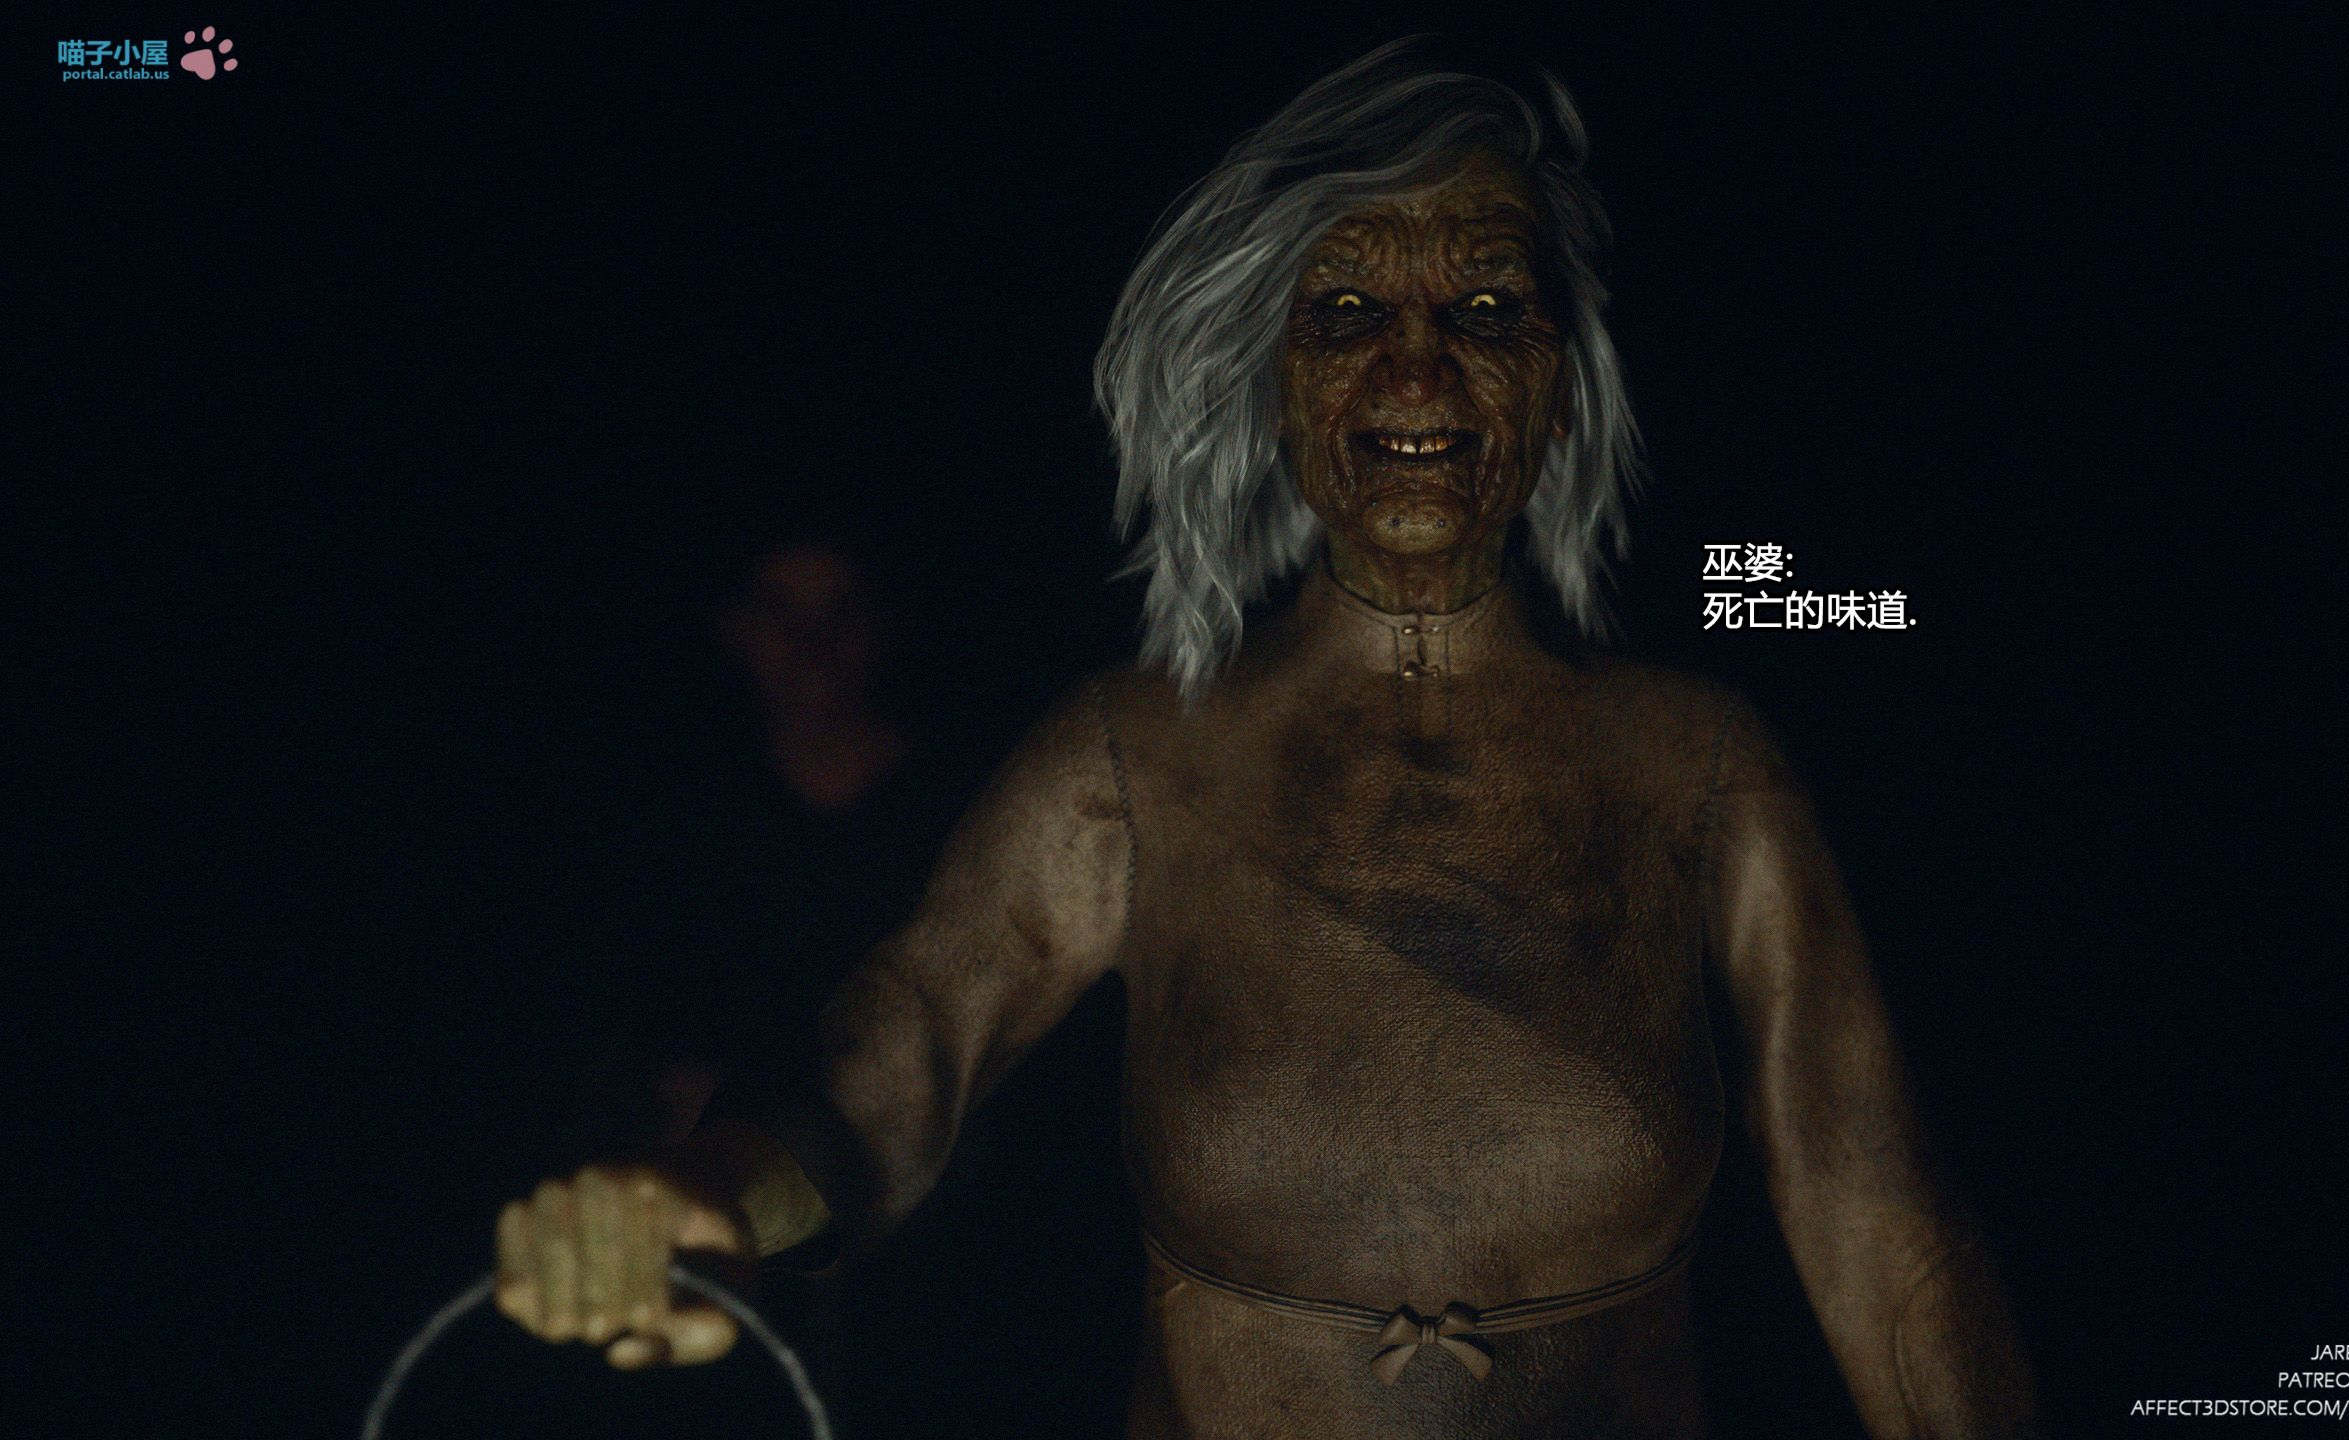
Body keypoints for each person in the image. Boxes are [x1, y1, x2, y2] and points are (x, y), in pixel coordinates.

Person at [494, 40, 2040, 1438]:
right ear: (1272, 378)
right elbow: (885, 1079)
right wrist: (703, 1190)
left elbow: (1878, 1217)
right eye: (1348, 313)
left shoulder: (1694, 765)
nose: (1418, 372)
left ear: (1562, 378)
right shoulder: (1135, 759)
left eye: (1486, 308)